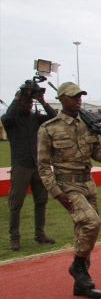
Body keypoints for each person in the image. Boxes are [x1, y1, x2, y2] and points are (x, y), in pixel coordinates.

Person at [37, 82, 101, 299]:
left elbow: (98, 154)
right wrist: (56, 192)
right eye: (73, 97)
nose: (78, 100)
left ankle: (81, 282)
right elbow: (43, 165)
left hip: (88, 185)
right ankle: (78, 267)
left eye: (80, 96)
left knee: (83, 230)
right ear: (61, 99)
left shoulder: (87, 125)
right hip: (67, 185)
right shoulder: (49, 128)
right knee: (92, 222)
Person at [1, 81, 57, 251]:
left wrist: (43, 101)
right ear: (19, 103)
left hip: (38, 165)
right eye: (26, 102)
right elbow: (7, 118)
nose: (28, 105)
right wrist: (17, 98)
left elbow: (54, 117)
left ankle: (40, 234)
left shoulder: (35, 118)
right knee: (15, 204)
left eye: (30, 103)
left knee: (41, 202)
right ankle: (14, 238)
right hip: (21, 165)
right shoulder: (12, 120)